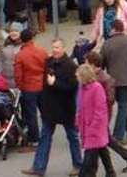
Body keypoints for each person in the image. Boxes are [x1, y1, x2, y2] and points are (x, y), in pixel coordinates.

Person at [22, 39, 83, 176]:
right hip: (50, 108)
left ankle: (78, 165)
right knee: (45, 137)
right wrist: (43, 101)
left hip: (66, 108)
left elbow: (72, 88)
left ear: (63, 49)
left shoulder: (70, 66)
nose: (55, 50)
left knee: (72, 137)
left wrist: (55, 83)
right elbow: (45, 85)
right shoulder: (48, 62)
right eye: (53, 47)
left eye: (57, 47)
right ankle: (38, 167)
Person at [83, 51, 127, 172]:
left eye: (86, 63)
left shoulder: (101, 79)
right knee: (103, 142)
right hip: (101, 116)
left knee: (105, 141)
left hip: (101, 116)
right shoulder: (98, 77)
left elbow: (109, 99)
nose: (85, 65)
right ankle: (113, 168)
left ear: (93, 64)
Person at [100, 19, 127, 144]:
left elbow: (101, 63)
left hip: (112, 80)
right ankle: (118, 135)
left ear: (114, 29)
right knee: (123, 106)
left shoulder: (106, 44)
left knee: (122, 106)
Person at [75, 63, 112, 177]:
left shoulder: (97, 88)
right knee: (101, 149)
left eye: (79, 76)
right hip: (86, 125)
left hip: (94, 127)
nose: (77, 79)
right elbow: (80, 106)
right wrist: (78, 119)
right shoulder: (82, 88)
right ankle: (110, 172)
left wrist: (93, 127)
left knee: (88, 158)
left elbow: (100, 110)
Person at [14, 29, 45, 149]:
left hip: (28, 88)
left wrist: (20, 87)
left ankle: (35, 139)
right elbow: (47, 67)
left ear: (21, 40)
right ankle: (47, 134)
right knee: (45, 112)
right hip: (42, 86)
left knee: (31, 115)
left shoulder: (20, 55)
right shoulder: (42, 52)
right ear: (32, 38)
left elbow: (18, 75)